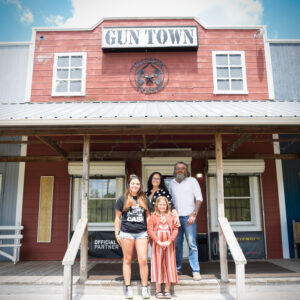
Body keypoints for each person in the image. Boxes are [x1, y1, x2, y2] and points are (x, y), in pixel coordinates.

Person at [114, 175, 150, 299]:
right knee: (127, 259)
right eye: (133, 183)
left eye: (137, 184)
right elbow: (117, 218)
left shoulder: (144, 198)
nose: (135, 186)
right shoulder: (122, 199)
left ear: (140, 186)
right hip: (126, 233)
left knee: (143, 260)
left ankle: (145, 287)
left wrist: (149, 231)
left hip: (142, 232)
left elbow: (148, 216)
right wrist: (116, 233)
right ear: (129, 185)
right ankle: (128, 287)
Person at [169, 162, 203, 281]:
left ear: (186, 170)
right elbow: (170, 202)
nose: (180, 170)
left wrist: (193, 215)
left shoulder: (192, 181)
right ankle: (177, 268)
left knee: (191, 243)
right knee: (177, 244)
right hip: (176, 218)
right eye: (178, 168)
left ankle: (196, 271)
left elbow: (199, 199)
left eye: (182, 168)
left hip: (189, 218)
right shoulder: (171, 183)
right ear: (175, 170)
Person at [148, 196, 178, 299]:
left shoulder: (171, 215)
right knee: (158, 266)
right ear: (157, 205)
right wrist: (158, 241)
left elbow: (175, 229)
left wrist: (169, 241)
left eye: (164, 204)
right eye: (160, 204)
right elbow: (150, 230)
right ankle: (158, 290)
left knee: (169, 265)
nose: (162, 206)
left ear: (167, 205)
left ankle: (167, 290)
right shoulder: (153, 216)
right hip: (158, 244)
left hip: (169, 244)